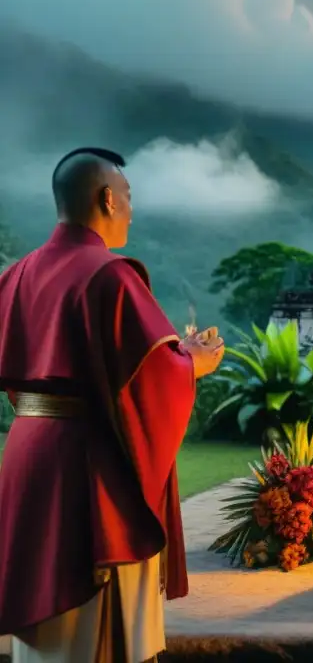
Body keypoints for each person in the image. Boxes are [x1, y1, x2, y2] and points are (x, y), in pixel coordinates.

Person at [0, 147, 225, 662]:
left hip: (28, 450)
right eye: (127, 196)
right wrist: (193, 364)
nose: (130, 208)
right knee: (93, 627)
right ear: (106, 197)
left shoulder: (18, 274)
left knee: (43, 615)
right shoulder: (110, 274)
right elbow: (148, 381)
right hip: (86, 463)